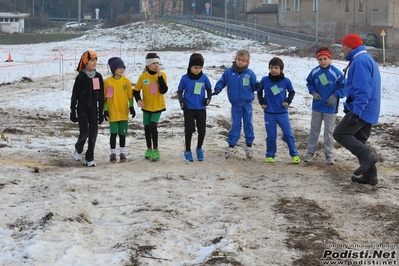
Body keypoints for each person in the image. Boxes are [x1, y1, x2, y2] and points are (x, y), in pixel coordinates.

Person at [333, 33, 381, 186]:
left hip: (363, 109)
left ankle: (368, 156)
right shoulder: (364, 59)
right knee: (359, 140)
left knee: (340, 133)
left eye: (344, 45)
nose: (342, 48)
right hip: (368, 107)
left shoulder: (360, 61)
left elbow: (363, 89)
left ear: (351, 46)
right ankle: (370, 176)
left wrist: (356, 111)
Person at [212, 49, 258, 159]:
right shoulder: (229, 72)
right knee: (235, 124)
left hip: (247, 104)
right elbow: (222, 81)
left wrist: (256, 86)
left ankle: (249, 145)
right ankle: (231, 145)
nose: (240, 62)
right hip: (235, 105)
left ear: (248, 62)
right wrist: (218, 88)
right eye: (239, 59)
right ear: (235, 59)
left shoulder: (250, 74)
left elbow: (254, 85)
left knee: (248, 124)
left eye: (243, 60)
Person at [305, 46, 345, 165]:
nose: (323, 61)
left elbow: (343, 87)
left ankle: (329, 155)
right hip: (317, 107)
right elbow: (309, 83)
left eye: (325, 59)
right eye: (320, 59)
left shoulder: (336, 73)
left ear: (330, 58)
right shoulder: (314, 72)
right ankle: (310, 153)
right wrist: (313, 92)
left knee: (328, 132)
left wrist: (335, 96)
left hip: (330, 108)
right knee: (314, 130)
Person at [257, 57, 300, 164]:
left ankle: (294, 154)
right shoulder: (265, 80)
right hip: (269, 113)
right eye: (271, 68)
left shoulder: (286, 81)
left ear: (281, 69)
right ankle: (270, 154)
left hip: (282, 113)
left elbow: (292, 92)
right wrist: (262, 103)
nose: (273, 70)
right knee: (271, 136)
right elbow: (259, 91)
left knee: (288, 134)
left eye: (276, 68)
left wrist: (287, 102)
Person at [70, 50, 104, 167]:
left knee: (93, 134)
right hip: (82, 109)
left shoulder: (98, 77)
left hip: (93, 109)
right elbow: (75, 95)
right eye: (92, 60)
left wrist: (101, 112)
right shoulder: (80, 77)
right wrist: (73, 111)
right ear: (85, 62)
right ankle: (78, 148)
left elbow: (101, 96)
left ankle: (89, 158)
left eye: (96, 60)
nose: (94, 63)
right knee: (84, 133)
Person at [133, 52, 168, 162]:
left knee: (153, 125)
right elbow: (136, 90)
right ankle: (148, 148)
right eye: (154, 63)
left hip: (158, 106)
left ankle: (156, 149)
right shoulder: (143, 77)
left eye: (158, 63)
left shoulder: (163, 75)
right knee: (147, 128)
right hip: (147, 107)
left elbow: (163, 90)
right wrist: (139, 100)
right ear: (148, 64)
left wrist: (159, 76)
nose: (156, 65)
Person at [177, 53, 212, 162]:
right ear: (190, 67)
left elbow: (209, 89)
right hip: (189, 108)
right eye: (195, 67)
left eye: (200, 68)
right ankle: (187, 150)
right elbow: (179, 91)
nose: (197, 70)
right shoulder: (185, 78)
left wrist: (208, 98)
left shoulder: (204, 78)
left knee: (202, 131)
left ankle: (199, 148)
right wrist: (181, 100)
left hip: (201, 108)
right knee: (189, 130)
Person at [103, 57, 135, 163]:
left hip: (123, 112)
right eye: (118, 68)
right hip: (113, 112)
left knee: (122, 134)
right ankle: (112, 153)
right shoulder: (108, 82)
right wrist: (105, 109)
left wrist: (131, 107)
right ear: (113, 69)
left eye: (123, 68)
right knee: (113, 134)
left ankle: (122, 153)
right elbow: (104, 98)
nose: (121, 70)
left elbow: (130, 96)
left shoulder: (126, 81)